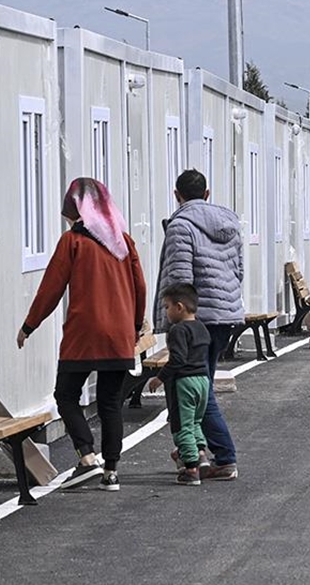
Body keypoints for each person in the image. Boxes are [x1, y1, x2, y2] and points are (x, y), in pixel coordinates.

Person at [18, 177, 146, 492]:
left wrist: (28, 326)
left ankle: (87, 457)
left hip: (82, 334)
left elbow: (52, 287)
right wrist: (135, 324)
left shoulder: (72, 242)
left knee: (65, 394)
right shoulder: (123, 242)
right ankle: (111, 472)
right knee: (110, 402)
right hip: (118, 334)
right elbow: (139, 285)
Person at [155, 169, 242, 481]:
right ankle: (198, 451)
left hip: (195, 318)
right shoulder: (230, 224)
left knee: (194, 389)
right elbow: (239, 269)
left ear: (177, 195)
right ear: (207, 193)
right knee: (202, 385)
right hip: (225, 315)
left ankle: (222, 456)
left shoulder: (180, 225)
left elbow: (179, 277)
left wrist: (175, 317)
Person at [148, 283, 211, 486]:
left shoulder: (178, 330)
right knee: (195, 422)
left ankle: (191, 468)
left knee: (182, 425)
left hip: (184, 382)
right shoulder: (201, 328)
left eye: (167, 307)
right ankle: (200, 454)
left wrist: (160, 377)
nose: (166, 312)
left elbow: (178, 359)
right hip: (203, 380)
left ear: (179, 307)